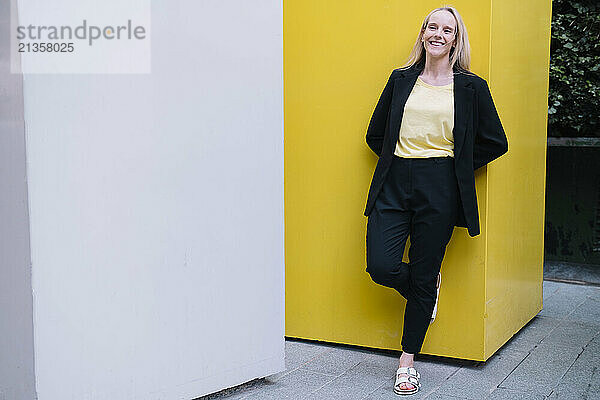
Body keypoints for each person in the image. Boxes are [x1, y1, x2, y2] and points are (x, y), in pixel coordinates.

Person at [363, 6, 508, 396]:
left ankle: (407, 363)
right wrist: (399, 163)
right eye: (433, 27)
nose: (439, 34)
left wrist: (456, 167)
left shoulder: (472, 87)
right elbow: (375, 135)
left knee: (425, 271)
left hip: (441, 186)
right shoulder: (400, 80)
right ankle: (424, 289)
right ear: (423, 34)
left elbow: (497, 142)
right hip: (394, 182)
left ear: (456, 39)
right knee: (381, 265)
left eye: (448, 29)